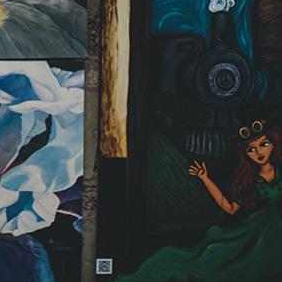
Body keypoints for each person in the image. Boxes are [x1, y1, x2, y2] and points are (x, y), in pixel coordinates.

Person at [117, 118, 282, 280]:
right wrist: (205, 179)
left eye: (264, 144)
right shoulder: (251, 180)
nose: (259, 152)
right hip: (261, 230)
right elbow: (230, 208)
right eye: (251, 149)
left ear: (274, 145)